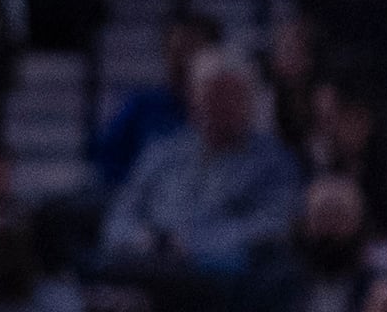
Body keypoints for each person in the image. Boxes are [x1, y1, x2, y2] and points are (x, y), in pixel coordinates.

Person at [100, 54, 299, 269]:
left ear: (249, 102)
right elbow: (120, 217)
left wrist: (196, 243)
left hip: (221, 276)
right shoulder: (162, 151)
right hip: (148, 264)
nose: (219, 107)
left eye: (229, 96)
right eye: (210, 96)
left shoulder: (275, 161)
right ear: (193, 100)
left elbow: (276, 223)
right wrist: (144, 240)